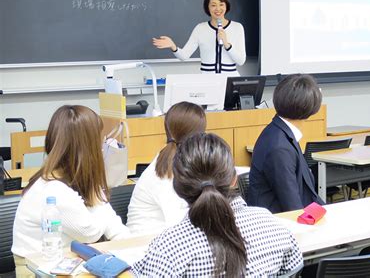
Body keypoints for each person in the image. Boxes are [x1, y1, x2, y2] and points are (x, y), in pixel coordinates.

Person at [132, 133, 303, 277]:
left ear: (178, 186)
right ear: (234, 179)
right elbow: (294, 266)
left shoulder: (168, 248)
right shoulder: (271, 225)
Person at [12, 105, 129, 274]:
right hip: (37, 270)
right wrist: (99, 198)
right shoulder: (53, 189)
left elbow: (112, 225)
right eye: (100, 141)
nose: (103, 147)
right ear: (87, 148)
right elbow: (90, 232)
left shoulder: (74, 178)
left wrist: (130, 247)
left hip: (66, 263)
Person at [247, 74, 325, 213]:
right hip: (276, 224)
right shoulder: (280, 147)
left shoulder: (280, 132)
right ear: (309, 107)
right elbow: (293, 208)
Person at [127, 101, 206, 234]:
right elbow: (179, 224)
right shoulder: (164, 174)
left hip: (164, 241)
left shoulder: (176, 162)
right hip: (146, 245)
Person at [152, 0, 245, 75]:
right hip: (206, 81)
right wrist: (173, 46)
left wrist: (227, 44)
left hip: (230, 80)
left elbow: (241, 61)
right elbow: (184, 56)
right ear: (207, 7)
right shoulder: (200, 28)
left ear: (226, 6)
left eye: (221, 4)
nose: (218, 9)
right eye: (213, 5)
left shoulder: (237, 27)